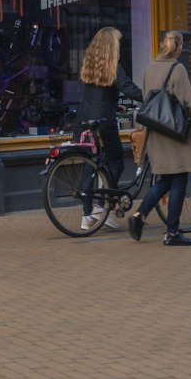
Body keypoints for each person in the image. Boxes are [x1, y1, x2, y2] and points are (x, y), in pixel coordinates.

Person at [128, 30, 191, 247]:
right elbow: (190, 103)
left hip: (155, 132)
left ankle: (139, 214)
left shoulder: (149, 68)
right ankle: (172, 233)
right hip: (176, 132)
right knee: (179, 181)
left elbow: (147, 100)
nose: (182, 48)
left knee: (166, 179)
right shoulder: (178, 69)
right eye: (181, 44)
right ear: (176, 47)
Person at [76, 26, 142, 231]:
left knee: (91, 164)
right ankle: (101, 208)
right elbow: (128, 88)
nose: (121, 45)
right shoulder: (113, 64)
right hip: (104, 121)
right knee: (117, 163)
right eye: (119, 42)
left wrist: (115, 104)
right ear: (112, 45)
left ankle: (87, 215)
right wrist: (152, 96)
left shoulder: (90, 62)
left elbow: (98, 92)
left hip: (85, 119)